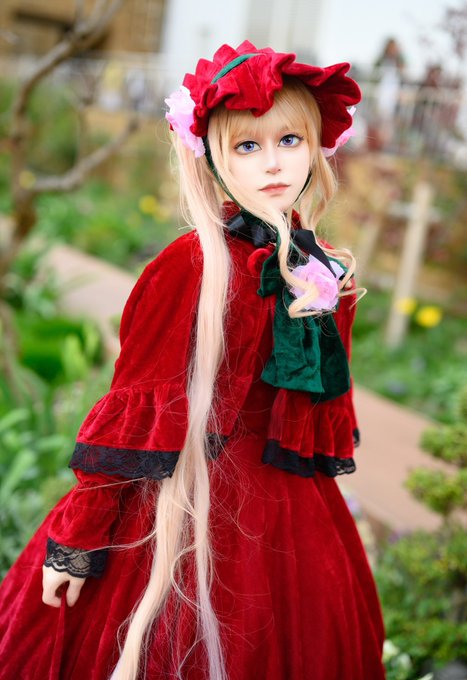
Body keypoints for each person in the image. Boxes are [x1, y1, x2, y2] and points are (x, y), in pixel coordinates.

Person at [0, 41, 386, 680]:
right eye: (247, 145)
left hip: (291, 512)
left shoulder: (323, 270)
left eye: (289, 140)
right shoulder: (190, 267)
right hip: (186, 510)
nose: (273, 163)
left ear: (317, 145)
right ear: (213, 156)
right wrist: (80, 539)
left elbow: (318, 413)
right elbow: (136, 411)